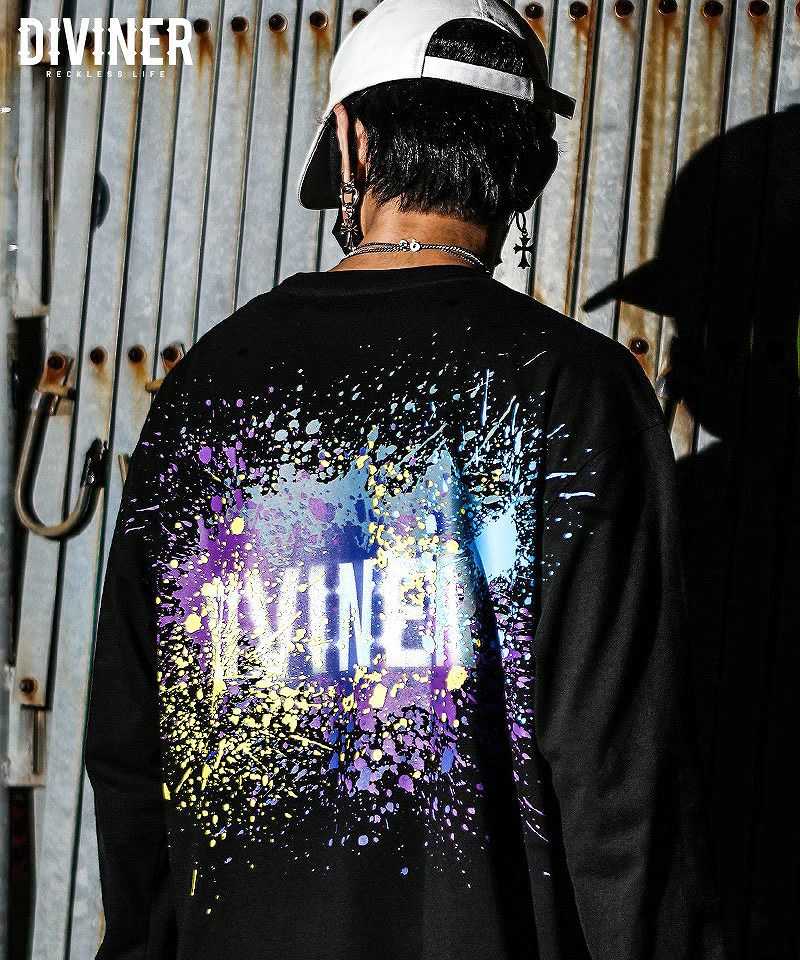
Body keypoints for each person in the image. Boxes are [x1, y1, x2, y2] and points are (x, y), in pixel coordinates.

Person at [84, 1, 725, 958]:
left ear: (350, 142)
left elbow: (133, 753)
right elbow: (623, 784)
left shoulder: (205, 390)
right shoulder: (573, 393)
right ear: (529, 169)